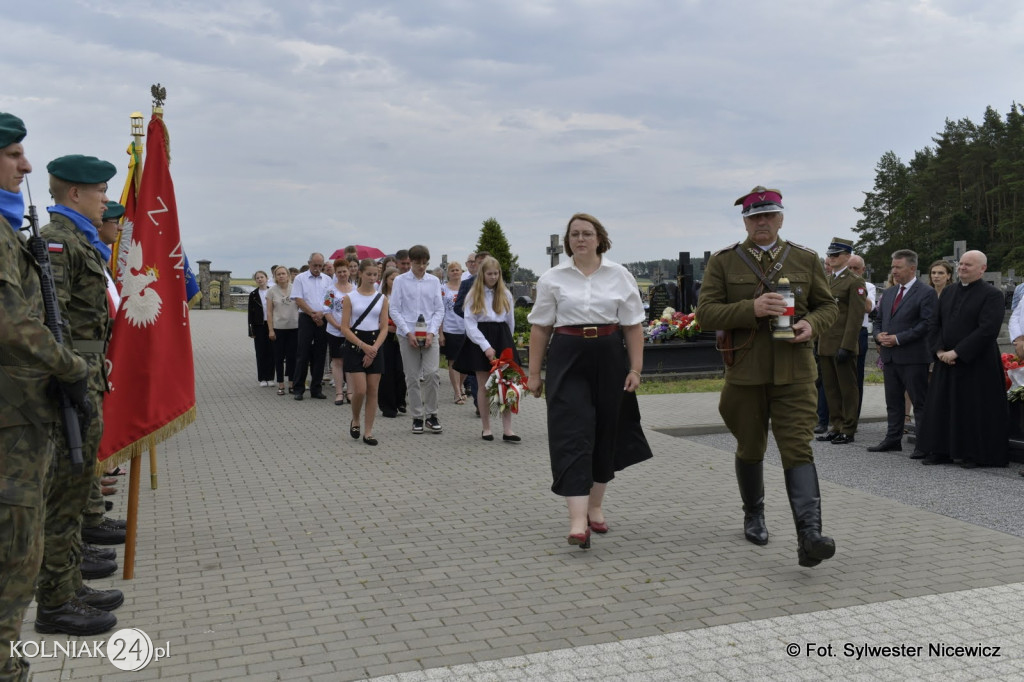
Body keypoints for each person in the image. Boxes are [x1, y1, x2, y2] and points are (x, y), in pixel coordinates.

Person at [696, 186, 839, 567]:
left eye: (769, 215)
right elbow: (706, 314)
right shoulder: (724, 262)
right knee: (751, 447)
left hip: (795, 371)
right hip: (746, 373)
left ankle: (809, 536)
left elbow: (828, 306)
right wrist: (752, 308)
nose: (762, 222)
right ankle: (754, 513)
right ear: (745, 220)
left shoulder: (805, 259)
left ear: (780, 218)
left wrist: (812, 324)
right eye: (755, 216)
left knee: (798, 448)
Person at [0, 112, 92, 681]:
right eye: (13, 154)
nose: (25, 164)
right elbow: (14, 325)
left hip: (20, 413)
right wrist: (71, 366)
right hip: (12, 419)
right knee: (14, 552)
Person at [36, 154, 123, 636]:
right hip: (72, 378)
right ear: (75, 194)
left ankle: (68, 586)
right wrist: (73, 373)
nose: (106, 201)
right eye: (100, 193)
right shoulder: (57, 241)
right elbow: (54, 320)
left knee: (73, 487)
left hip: (87, 369)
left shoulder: (78, 240)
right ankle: (55, 600)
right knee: (64, 495)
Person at [527, 213, 652, 550]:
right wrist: (533, 372)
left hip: (610, 357)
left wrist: (636, 369)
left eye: (587, 234)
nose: (580, 239)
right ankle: (577, 521)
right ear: (568, 241)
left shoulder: (619, 275)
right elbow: (540, 327)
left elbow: (633, 326)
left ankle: (595, 507)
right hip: (568, 357)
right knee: (572, 433)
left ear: (600, 239)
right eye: (575, 234)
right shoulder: (552, 278)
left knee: (605, 432)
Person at [917, 250, 1008, 468]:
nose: (962, 268)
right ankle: (940, 449)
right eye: (961, 264)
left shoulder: (992, 295)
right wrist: (939, 350)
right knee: (942, 406)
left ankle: (973, 453)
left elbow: (987, 330)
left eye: (968, 264)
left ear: (982, 269)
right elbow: (934, 324)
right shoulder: (947, 292)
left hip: (976, 362)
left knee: (972, 408)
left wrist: (957, 352)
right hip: (945, 360)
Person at [79, 201, 128, 549]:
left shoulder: (98, 256)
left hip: (97, 361)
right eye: (115, 222)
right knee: (80, 443)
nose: (119, 229)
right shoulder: (72, 248)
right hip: (82, 364)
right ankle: (86, 523)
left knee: (90, 436)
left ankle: (92, 509)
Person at [868, 249, 937, 456]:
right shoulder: (889, 293)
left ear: (912, 268)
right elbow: (878, 321)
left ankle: (924, 444)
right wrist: (879, 336)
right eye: (893, 267)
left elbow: (926, 323)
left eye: (898, 267)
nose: (894, 271)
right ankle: (892, 439)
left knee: (920, 402)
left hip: (913, 357)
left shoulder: (926, 292)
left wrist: (898, 339)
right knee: (893, 401)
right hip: (890, 357)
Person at [455, 257, 519, 441]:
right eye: (489, 273)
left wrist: (507, 344)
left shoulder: (505, 294)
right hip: (480, 339)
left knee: (506, 383)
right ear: (482, 274)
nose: (493, 277)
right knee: (483, 385)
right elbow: (470, 324)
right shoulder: (474, 295)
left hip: (502, 336)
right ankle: (486, 428)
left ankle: (508, 429)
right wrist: (486, 346)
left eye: (496, 273)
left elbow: (510, 321)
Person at [815, 238, 867, 445]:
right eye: (829, 255)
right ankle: (835, 426)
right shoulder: (827, 280)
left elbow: (855, 318)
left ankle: (848, 427)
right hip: (826, 343)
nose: (831, 258)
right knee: (831, 389)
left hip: (842, 344)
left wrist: (847, 345)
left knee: (847, 388)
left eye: (835, 255)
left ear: (847, 256)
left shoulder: (855, 281)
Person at [389, 245, 445, 434]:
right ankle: (417, 416)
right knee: (412, 377)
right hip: (408, 333)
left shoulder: (434, 281)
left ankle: (432, 414)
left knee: (432, 374)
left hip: (429, 332)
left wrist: (431, 332)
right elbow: (394, 309)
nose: (421, 267)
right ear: (410, 262)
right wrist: (407, 332)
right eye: (417, 263)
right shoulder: (400, 281)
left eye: (424, 263)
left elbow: (439, 309)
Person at [340, 259, 389, 445]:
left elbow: (384, 327)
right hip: (355, 343)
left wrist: (374, 348)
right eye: (368, 274)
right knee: (360, 390)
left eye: (375, 274)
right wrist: (363, 346)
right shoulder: (350, 297)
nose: (372, 277)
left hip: (375, 343)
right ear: (360, 273)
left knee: (373, 390)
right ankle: (355, 419)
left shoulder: (382, 298)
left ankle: (368, 432)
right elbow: (345, 327)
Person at [290, 252, 332, 400]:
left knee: (320, 354)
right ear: (309, 263)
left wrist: (321, 314)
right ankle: (298, 388)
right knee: (303, 353)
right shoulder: (300, 278)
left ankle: (316, 388)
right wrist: (313, 314)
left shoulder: (327, 279)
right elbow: (298, 299)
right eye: (315, 265)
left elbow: (330, 299)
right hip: (306, 318)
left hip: (322, 318)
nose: (317, 268)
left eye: (320, 266)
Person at [846, 255, 875, 418]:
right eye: (849, 268)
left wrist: (857, 286)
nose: (852, 272)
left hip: (858, 331)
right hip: (839, 331)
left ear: (863, 270)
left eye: (855, 268)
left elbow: (868, 307)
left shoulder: (868, 286)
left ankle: (853, 415)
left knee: (856, 375)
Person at [376, 267, 406, 418]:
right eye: (392, 279)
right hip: (386, 337)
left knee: (401, 370)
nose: (394, 282)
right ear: (386, 281)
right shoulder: (381, 297)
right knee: (387, 371)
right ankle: (388, 406)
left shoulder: (404, 296)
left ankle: (400, 400)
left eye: (397, 279)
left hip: (402, 336)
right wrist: (386, 327)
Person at [324, 258, 354, 405]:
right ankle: (338, 392)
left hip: (351, 331)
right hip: (334, 331)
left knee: (350, 361)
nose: (342, 274)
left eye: (344, 271)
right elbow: (326, 310)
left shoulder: (355, 290)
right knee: (337, 361)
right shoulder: (330, 290)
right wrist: (337, 325)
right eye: (339, 272)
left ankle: (350, 391)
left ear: (349, 272)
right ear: (335, 273)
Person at [266, 265, 298, 395]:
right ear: (275, 277)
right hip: (278, 328)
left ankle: (291, 382)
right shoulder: (271, 291)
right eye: (278, 274)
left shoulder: (295, 289)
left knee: (292, 357)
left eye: (283, 274)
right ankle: (280, 383)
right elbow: (269, 312)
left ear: (288, 275)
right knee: (278, 357)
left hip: (294, 327)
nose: (281, 276)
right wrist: (271, 330)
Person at [439, 261, 468, 404]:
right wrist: (440, 333)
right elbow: (440, 311)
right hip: (450, 329)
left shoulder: (467, 288)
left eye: (457, 270)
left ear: (462, 272)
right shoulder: (443, 289)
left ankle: (461, 385)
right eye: (452, 270)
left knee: (465, 362)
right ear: (448, 273)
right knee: (453, 362)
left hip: (466, 329)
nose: (455, 272)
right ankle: (457, 392)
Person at [247, 270, 275, 387]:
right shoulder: (253, 295)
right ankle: (262, 378)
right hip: (259, 325)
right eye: (257, 278)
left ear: (266, 278)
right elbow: (250, 314)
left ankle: (270, 377)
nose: (260, 279)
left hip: (272, 325)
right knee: (260, 351)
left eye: (261, 277)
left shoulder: (272, 292)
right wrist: (251, 330)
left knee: (271, 351)